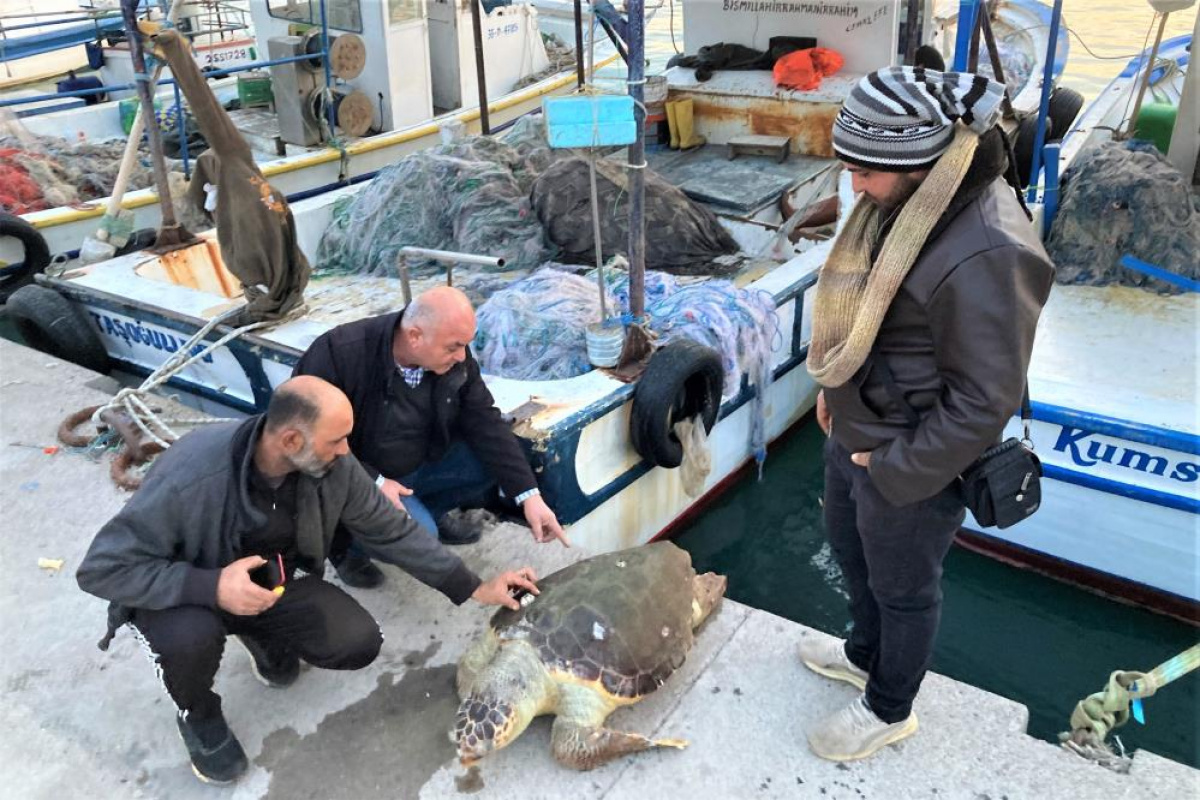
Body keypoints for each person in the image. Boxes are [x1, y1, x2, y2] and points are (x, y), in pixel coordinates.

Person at [76, 376, 540, 785]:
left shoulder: (333, 466)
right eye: (337, 440)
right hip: (182, 596)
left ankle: (260, 634)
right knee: (189, 639)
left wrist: (473, 586)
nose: (346, 451)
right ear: (292, 440)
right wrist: (211, 587)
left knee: (356, 640)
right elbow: (101, 568)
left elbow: (391, 529)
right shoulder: (191, 474)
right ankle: (198, 714)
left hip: (269, 585)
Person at [800, 66, 1054, 761]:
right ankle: (863, 654)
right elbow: (876, 313)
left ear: (917, 162)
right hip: (856, 425)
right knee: (851, 554)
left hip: (910, 456)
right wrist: (834, 389)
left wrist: (895, 467)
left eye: (865, 171)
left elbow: (985, 400)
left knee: (904, 587)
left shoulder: (990, 247)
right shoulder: (910, 202)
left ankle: (890, 707)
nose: (854, 186)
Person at [294, 285, 567, 589]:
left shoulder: (455, 358)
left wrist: (529, 496)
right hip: (357, 478)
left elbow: (484, 420)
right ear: (414, 336)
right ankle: (345, 548)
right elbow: (306, 438)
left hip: (419, 462)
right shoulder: (338, 353)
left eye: (466, 345)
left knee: (499, 455)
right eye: (453, 347)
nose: (462, 356)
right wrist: (373, 482)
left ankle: (431, 510)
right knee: (421, 538)